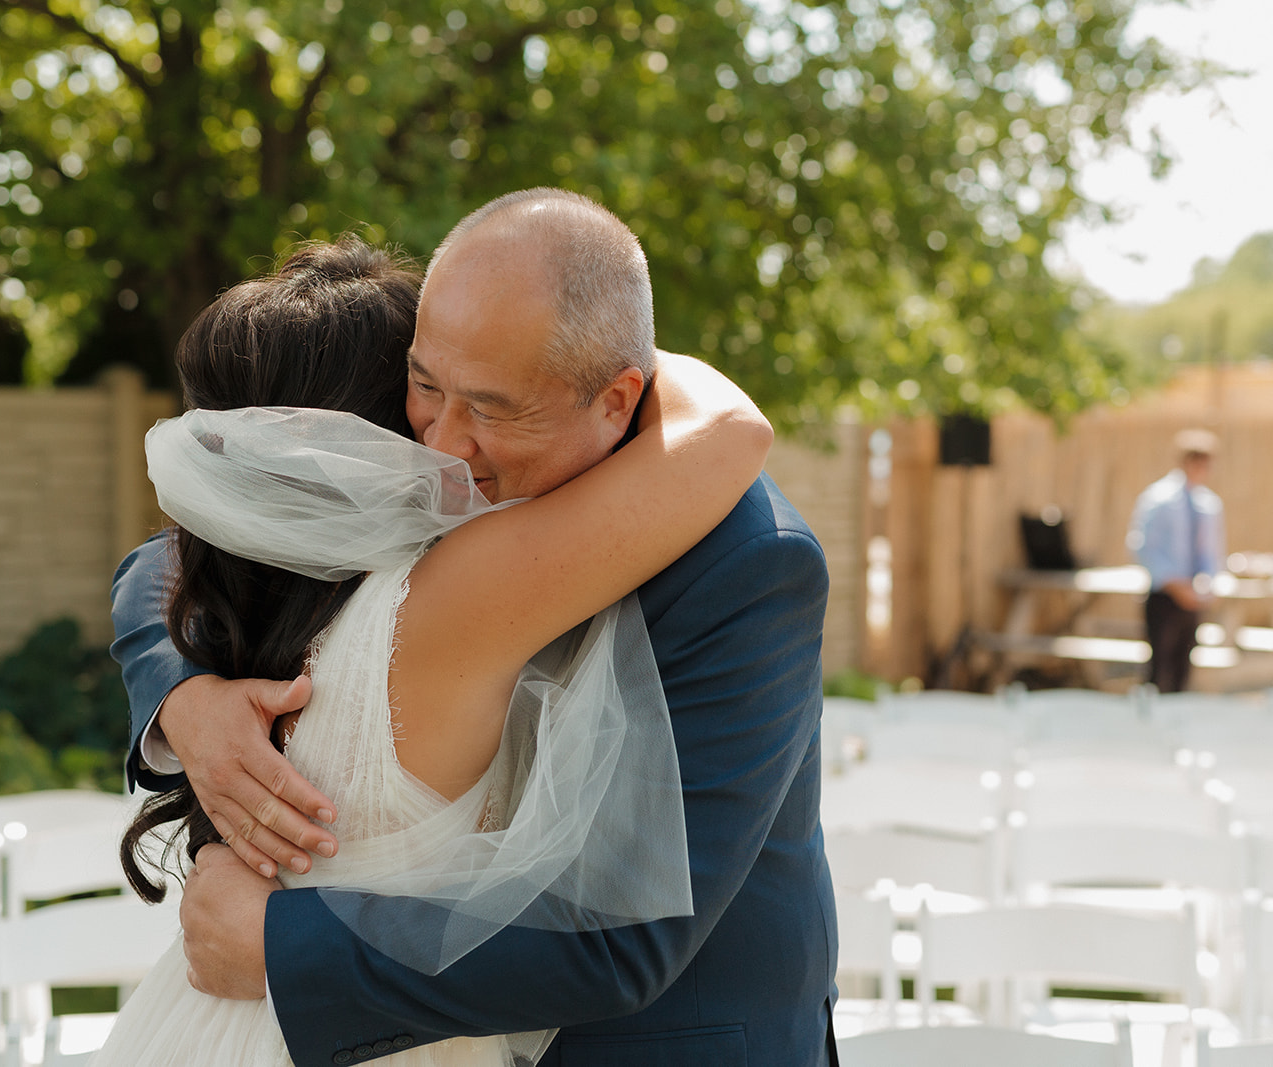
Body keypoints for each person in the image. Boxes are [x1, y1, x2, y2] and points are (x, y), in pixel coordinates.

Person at [112, 189, 838, 1065]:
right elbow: (183, 551)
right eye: (420, 387)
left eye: (493, 409)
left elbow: (626, 935)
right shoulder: (431, 512)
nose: (444, 444)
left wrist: (279, 941)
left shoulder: (752, 562)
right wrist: (182, 691)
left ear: (616, 399)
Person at [1128, 428, 1225, 693]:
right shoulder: (1159, 499)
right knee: (1159, 665)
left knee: (1184, 665)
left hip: (1194, 596)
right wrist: (1175, 585)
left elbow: (1210, 552)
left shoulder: (1208, 504)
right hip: (1165, 594)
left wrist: (1206, 584)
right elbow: (1143, 546)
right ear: (1185, 461)